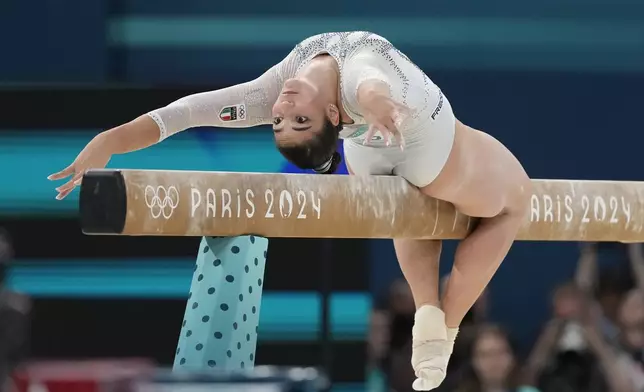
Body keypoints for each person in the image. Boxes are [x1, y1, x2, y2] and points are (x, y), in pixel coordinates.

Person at [48, 31, 531, 390]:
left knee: (409, 207)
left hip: (378, 141)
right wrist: (382, 108)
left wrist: (111, 139)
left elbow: (189, 112)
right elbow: (367, 81)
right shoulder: (355, 76)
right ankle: (445, 324)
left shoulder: (276, 86)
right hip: (420, 133)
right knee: (515, 201)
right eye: (298, 119)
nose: (282, 107)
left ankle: (427, 307)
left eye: (282, 121)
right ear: (334, 118)